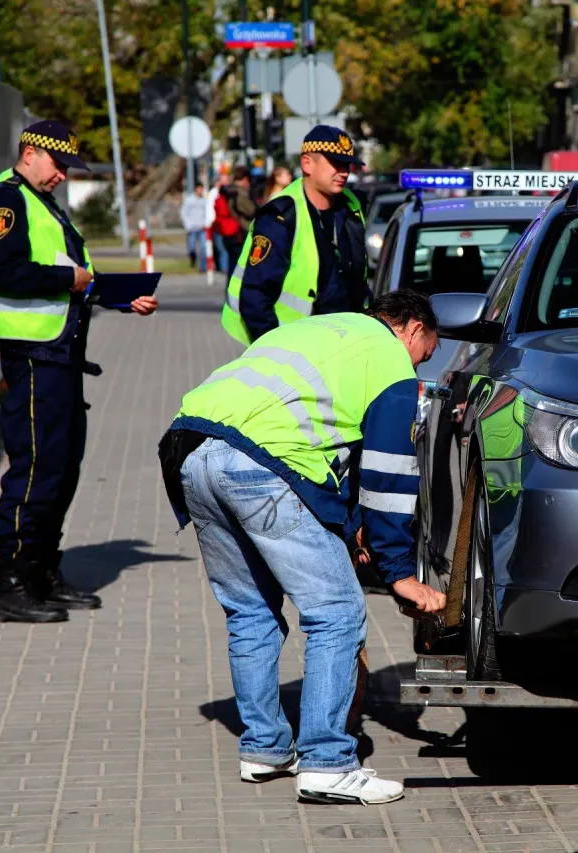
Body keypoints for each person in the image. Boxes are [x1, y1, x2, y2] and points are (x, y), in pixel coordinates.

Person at [157, 289, 447, 805]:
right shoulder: (389, 360)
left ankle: (265, 749)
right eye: (425, 350)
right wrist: (397, 570)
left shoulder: (315, 331)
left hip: (190, 451)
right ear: (410, 328)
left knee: (250, 612)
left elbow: (334, 452)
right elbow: (386, 474)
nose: (421, 363)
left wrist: (351, 526)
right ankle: (328, 763)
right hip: (259, 466)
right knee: (336, 612)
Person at [0, 119, 158, 624]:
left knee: (61, 468)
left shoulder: (43, 203)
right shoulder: (4, 201)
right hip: (32, 355)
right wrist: (70, 279)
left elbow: (73, 278)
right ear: (29, 152)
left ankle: (42, 572)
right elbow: (10, 273)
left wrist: (118, 296)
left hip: (59, 354)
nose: (62, 177)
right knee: (34, 471)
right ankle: (10, 585)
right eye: (57, 165)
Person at [221, 125, 369, 346]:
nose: (344, 172)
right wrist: (276, 351)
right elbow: (255, 296)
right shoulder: (281, 216)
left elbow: (357, 281)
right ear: (307, 163)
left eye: (347, 164)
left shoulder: (351, 206)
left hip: (342, 342)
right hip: (293, 348)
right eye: (335, 163)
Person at [181, 184, 209, 269]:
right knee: (192, 247)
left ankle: (203, 267)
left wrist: (205, 223)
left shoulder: (204, 200)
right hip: (192, 228)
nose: (201, 191)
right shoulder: (189, 200)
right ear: (196, 189)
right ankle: (193, 259)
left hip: (201, 228)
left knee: (204, 247)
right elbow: (184, 213)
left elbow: (207, 213)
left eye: (202, 189)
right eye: (199, 189)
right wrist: (188, 225)